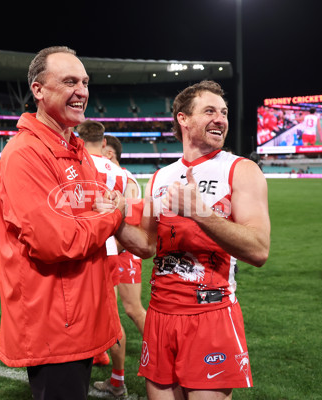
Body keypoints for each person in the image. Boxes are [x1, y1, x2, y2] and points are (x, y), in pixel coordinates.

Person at [110, 80, 271, 399]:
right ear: (183, 119)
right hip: (159, 315)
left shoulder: (240, 170)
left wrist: (200, 212)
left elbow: (259, 249)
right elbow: (146, 246)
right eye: (209, 111)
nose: (220, 119)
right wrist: (114, 219)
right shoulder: (159, 177)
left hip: (209, 315)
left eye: (224, 112)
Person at [0, 46, 124, 400]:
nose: (81, 91)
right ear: (38, 90)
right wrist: (113, 214)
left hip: (80, 317)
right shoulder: (25, 154)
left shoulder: (76, 149)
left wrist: (103, 212)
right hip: (55, 324)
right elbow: (57, 241)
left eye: (84, 82)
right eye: (69, 81)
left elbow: (87, 217)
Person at [76, 121, 130, 399]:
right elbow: (126, 215)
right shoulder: (120, 171)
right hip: (110, 248)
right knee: (109, 313)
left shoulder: (78, 163)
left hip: (84, 248)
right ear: (104, 142)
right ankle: (113, 373)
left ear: (79, 138)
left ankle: (85, 377)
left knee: (82, 314)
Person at [103, 134, 147, 336]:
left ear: (109, 153)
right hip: (111, 250)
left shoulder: (126, 180)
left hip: (124, 253)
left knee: (132, 309)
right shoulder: (109, 177)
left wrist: (105, 250)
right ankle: (100, 353)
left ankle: (157, 351)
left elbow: (129, 223)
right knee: (104, 310)